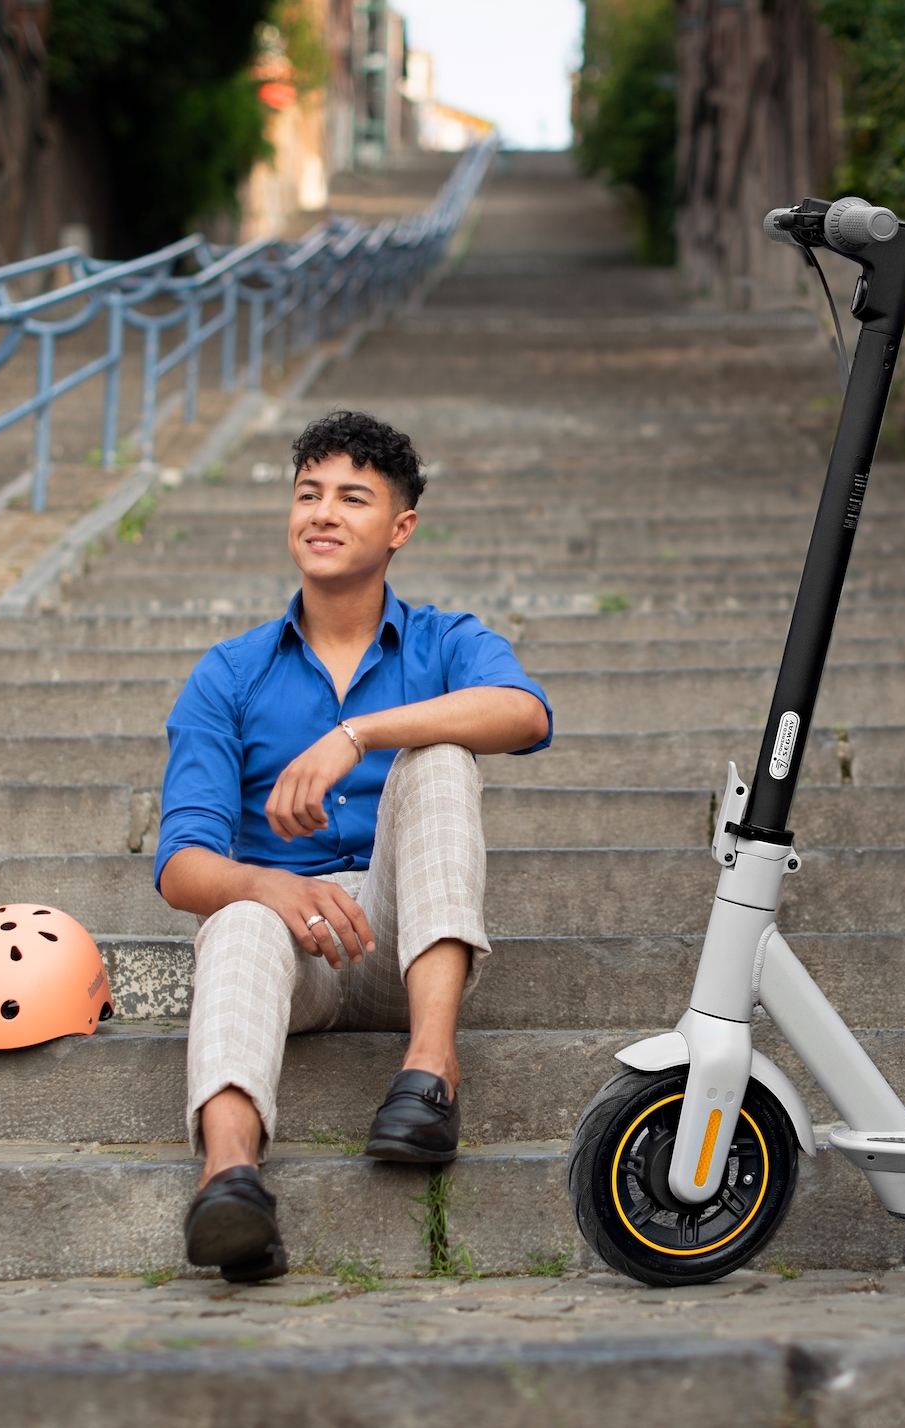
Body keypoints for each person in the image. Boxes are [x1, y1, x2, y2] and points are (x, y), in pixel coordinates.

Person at [155, 410, 553, 1282]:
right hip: (289, 953)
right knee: (235, 917)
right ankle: (230, 1183)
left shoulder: (447, 641)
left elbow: (524, 715)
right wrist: (271, 887)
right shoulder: (230, 673)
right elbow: (181, 865)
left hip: (397, 942)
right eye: (308, 494)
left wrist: (358, 733)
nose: (322, 514)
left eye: (351, 498)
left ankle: (428, 1070)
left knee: (443, 754)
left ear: (400, 527)